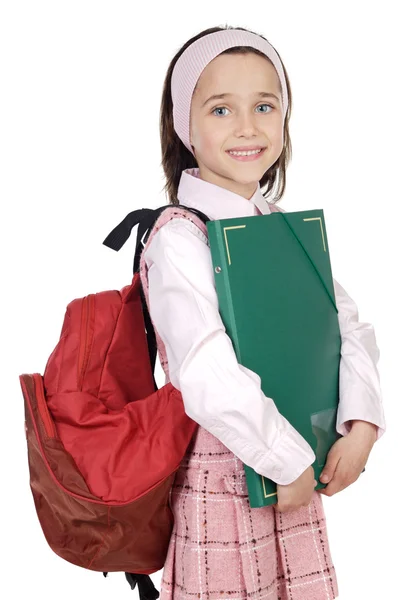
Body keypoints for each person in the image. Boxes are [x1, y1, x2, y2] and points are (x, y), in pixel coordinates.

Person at [140, 25, 386, 600]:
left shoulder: (284, 228)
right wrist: (282, 457)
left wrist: (362, 424)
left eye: (265, 106)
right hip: (227, 480)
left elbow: (347, 326)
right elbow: (204, 369)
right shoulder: (180, 240)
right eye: (221, 108)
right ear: (185, 126)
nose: (247, 127)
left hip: (295, 475)